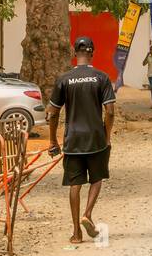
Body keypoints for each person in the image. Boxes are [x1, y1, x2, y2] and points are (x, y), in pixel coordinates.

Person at [46, 36, 116, 245]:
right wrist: (107, 135)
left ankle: (76, 232)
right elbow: (110, 111)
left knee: (74, 184)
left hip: (73, 140)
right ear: (92, 53)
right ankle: (87, 214)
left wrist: (53, 141)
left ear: (74, 53)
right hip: (96, 138)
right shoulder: (102, 78)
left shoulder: (64, 79)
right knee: (96, 178)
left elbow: (53, 114)